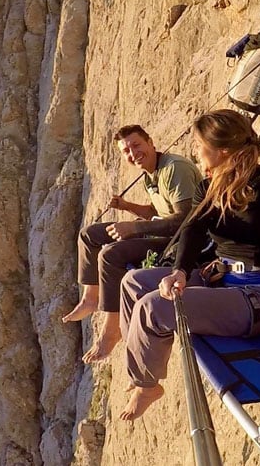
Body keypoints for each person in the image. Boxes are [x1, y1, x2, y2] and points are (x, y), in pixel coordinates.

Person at [117, 109, 260, 420]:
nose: (194, 152)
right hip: (222, 277)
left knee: (153, 307)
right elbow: (192, 229)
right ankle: (142, 365)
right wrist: (181, 271)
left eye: (199, 145)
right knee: (132, 283)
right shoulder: (209, 188)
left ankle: (146, 384)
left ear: (222, 151)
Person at [63, 124, 202, 364]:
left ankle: (112, 329)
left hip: (185, 240)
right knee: (89, 235)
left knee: (110, 255)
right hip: (165, 232)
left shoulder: (174, 169)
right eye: (126, 151)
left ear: (150, 142)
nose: (133, 153)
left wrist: (134, 228)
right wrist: (127, 207)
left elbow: (185, 220)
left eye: (136, 145)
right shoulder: (151, 173)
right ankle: (91, 297)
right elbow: (156, 211)